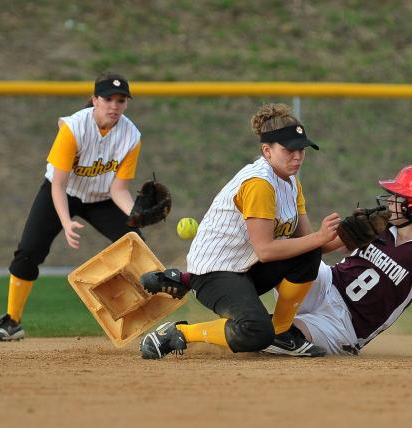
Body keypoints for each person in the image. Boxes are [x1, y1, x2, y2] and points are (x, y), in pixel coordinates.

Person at [140, 103, 341, 359]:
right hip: (215, 271)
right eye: (289, 149)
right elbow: (266, 251)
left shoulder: (291, 183)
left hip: (244, 268)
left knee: (308, 252)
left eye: (301, 149)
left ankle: (281, 332)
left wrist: (352, 235)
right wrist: (318, 238)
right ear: (266, 151)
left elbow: (312, 243)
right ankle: (176, 333)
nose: (297, 156)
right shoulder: (259, 185)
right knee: (256, 332)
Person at [263, 164, 412, 356]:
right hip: (328, 283)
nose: (389, 200)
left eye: (398, 196)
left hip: (344, 324)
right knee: (292, 256)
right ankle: (240, 295)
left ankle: (257, 327)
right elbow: (322, 250)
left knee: (276, 338)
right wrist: (335, 233)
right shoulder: (377, 225)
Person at [0, 72, 144, 342]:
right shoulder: (73, 129)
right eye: (108, 98)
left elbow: (119, 190)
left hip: (103, 197)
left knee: (136, 246)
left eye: (121, 100)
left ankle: (135, 318)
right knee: (28, 251)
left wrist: (136, 215)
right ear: (94, 100)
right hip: (63, 192)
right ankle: (12, 321)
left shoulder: (131, 136)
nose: (114, 105)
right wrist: (65, 221)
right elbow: (57, 185)